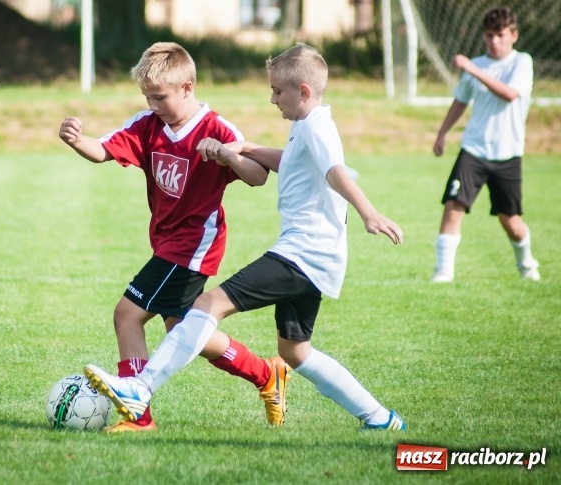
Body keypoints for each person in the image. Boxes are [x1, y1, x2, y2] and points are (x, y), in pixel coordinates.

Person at [84, 43, 407, 431]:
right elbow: (292, 164)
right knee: (296, 351)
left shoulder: (317, 126)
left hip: (302, 253)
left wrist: (368, 212)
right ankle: (380, 418)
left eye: (277, 92)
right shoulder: (307, 126)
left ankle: (141, 389)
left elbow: (335, 171)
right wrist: (245, 147)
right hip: (316, 258)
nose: (272, 99)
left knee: (207, 305)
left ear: (303, 91)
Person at [59, 41, 290, 433]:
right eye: (147, 97)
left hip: (192, 246)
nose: (153, 105)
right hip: (166, 241)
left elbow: (258, 176)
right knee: (182, 330)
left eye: (160, 97)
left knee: (127, 315)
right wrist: (76, 139)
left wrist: (228, 156)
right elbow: (102, 150)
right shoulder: (147, 124)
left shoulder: (217, 128)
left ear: (188, 86)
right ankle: (266, 374)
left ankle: (138, 415)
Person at [431, 7, 540, 283]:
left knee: (510, 221)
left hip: (507, 154)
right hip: (474, 150)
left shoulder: (521, 62)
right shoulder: (478, 64)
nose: (494, 41)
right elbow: (461, 101)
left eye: (501, 35)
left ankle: (527, 264)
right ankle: (443, 272)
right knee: (453, 205)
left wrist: (471, 68)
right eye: (490, 35)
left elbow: (508, 94)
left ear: (513, 35)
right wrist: (442, 133)